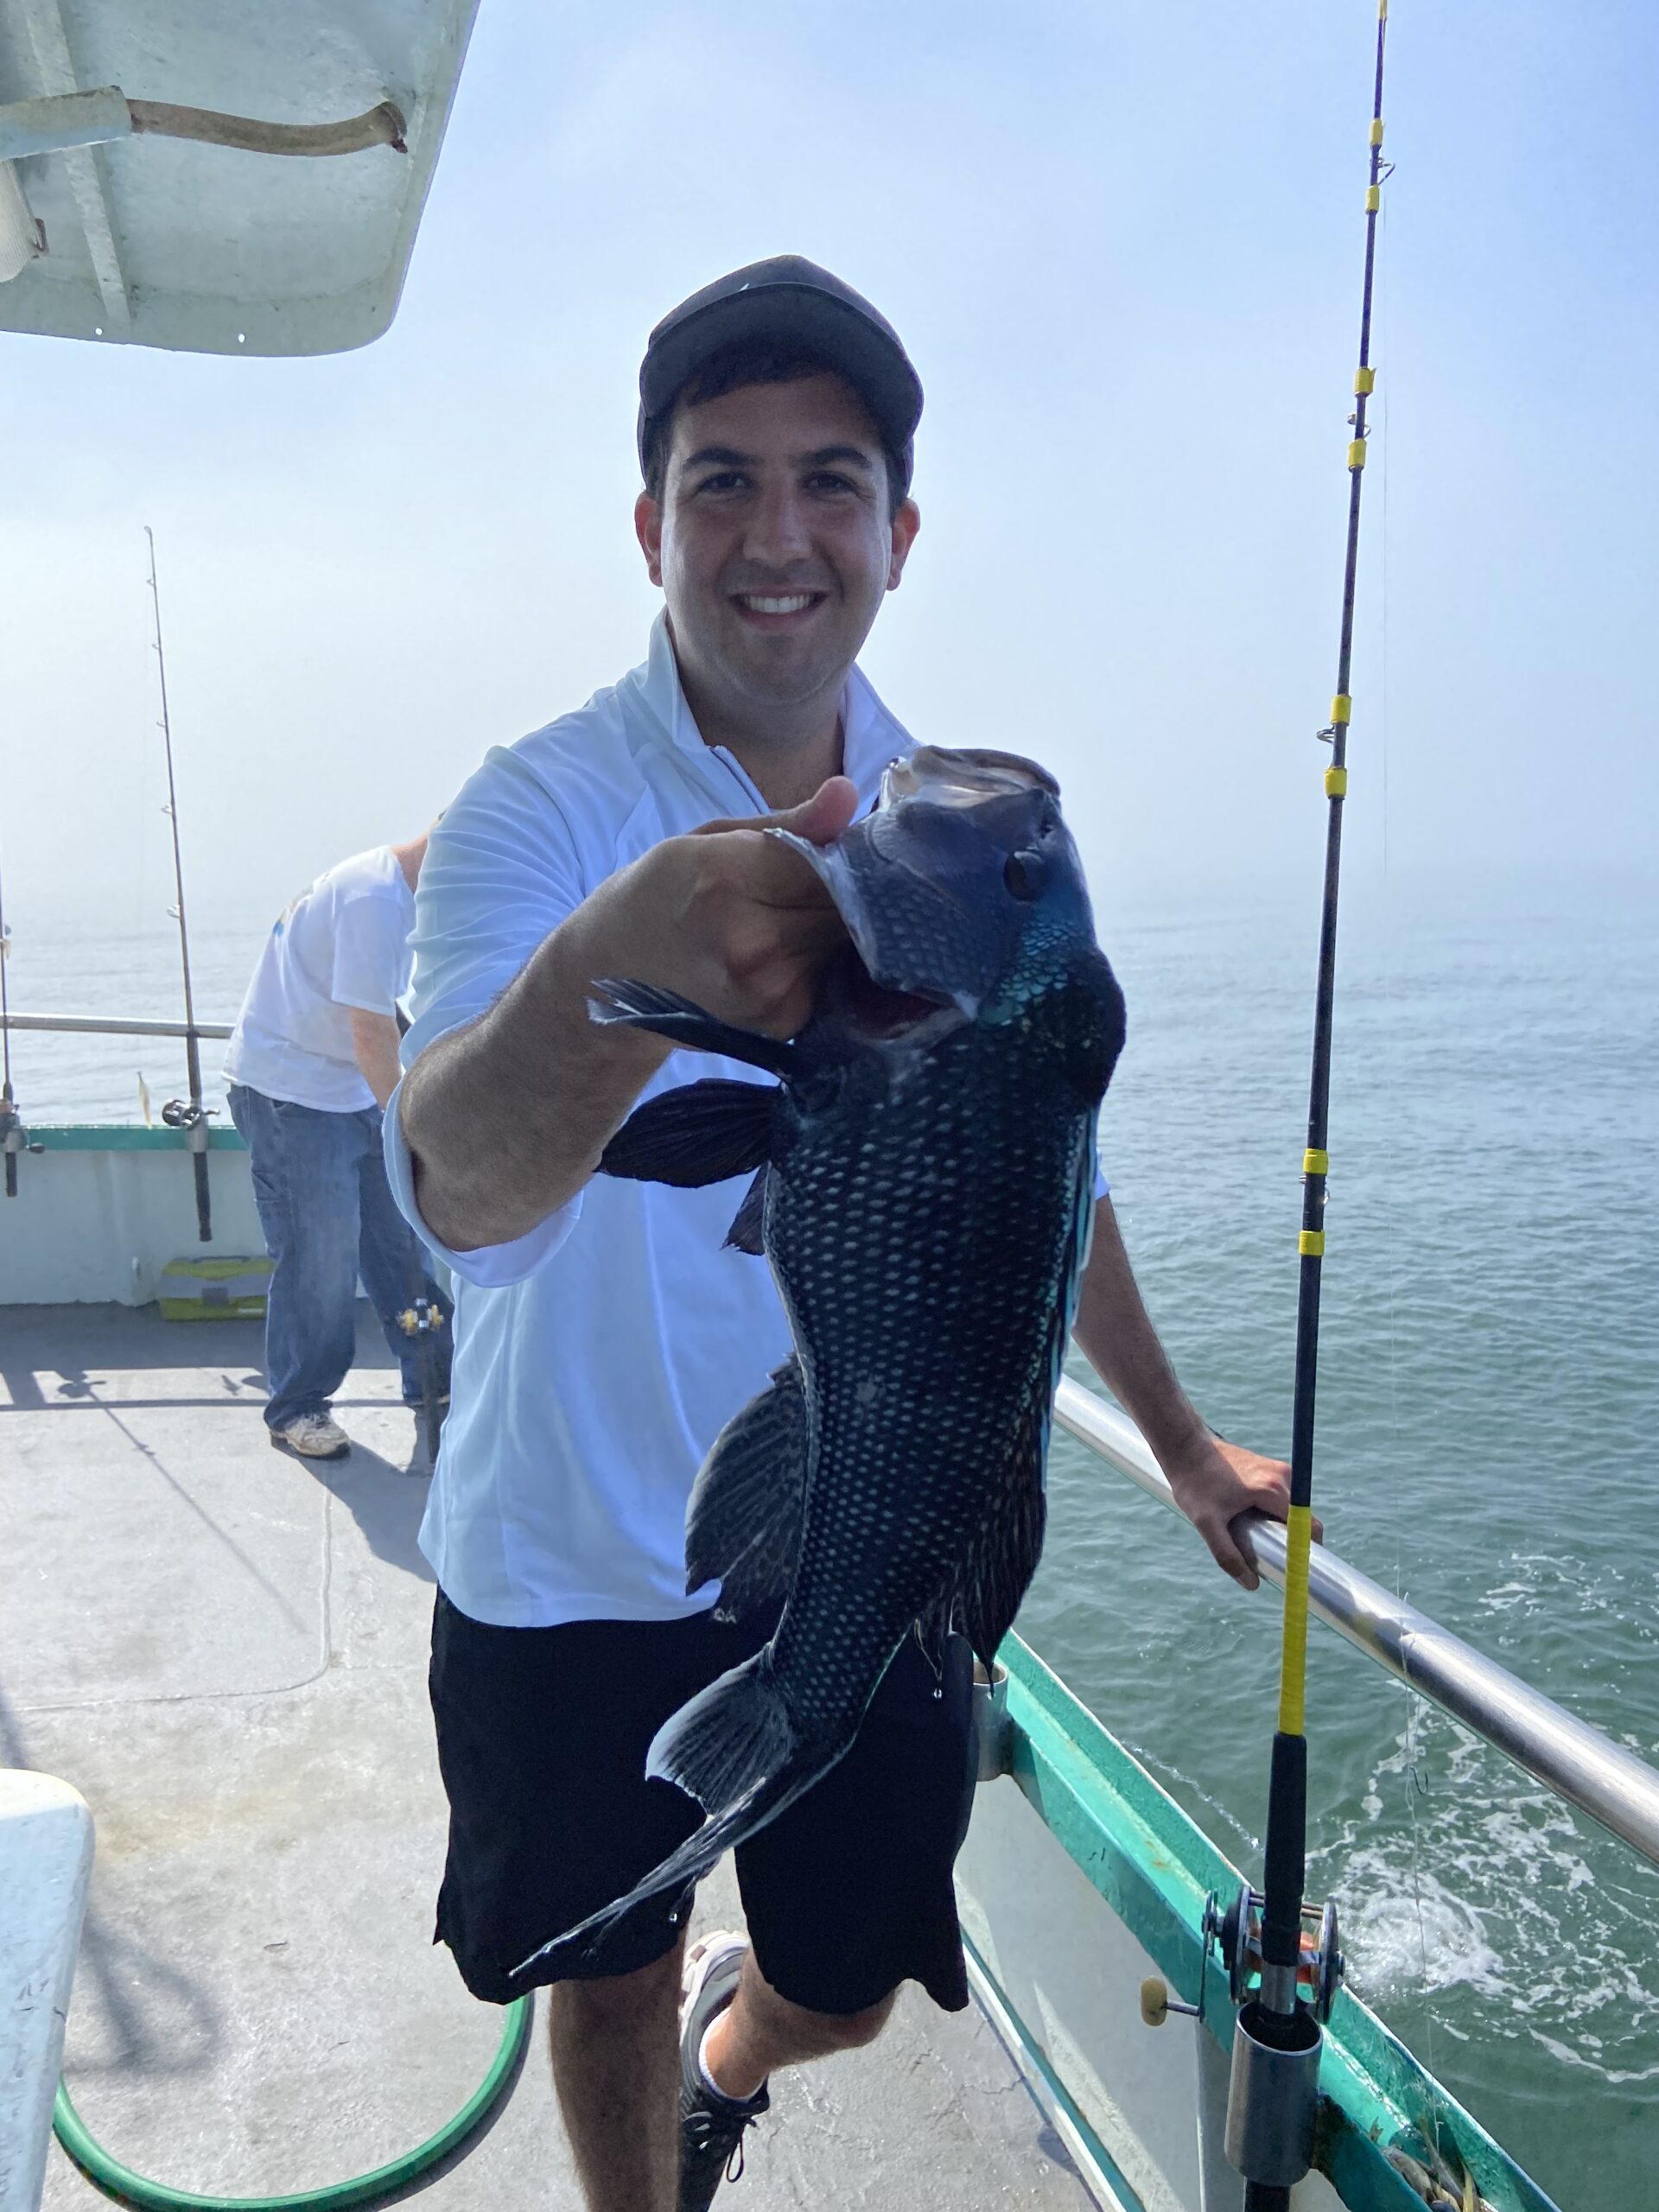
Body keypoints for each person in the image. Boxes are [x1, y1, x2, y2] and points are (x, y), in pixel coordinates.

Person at [390, 257, 1297, 2212]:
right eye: (722, 480)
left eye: (829, 480)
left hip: (872, 1536)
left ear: (898, 528)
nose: (776, 532)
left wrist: (1178, 1432)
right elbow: (458, 1182)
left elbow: (1051, 1174)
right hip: (566, 1550)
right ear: (652, 523)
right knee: (596, 1965)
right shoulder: (531, 809)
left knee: (847, 1980)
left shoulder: (968, 844)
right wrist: (609, 964)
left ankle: (753, 2045)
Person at [225, 836, 452, 1460]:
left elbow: (381, 1008)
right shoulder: (374, 899)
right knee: (318, 1258)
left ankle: (433, 1380)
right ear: (448, 851)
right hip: (291, 1094)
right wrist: (415, 1130)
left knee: (401, 1242)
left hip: (349, 1087)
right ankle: (297, 1405)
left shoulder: (392, 892)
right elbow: (370, 1031)